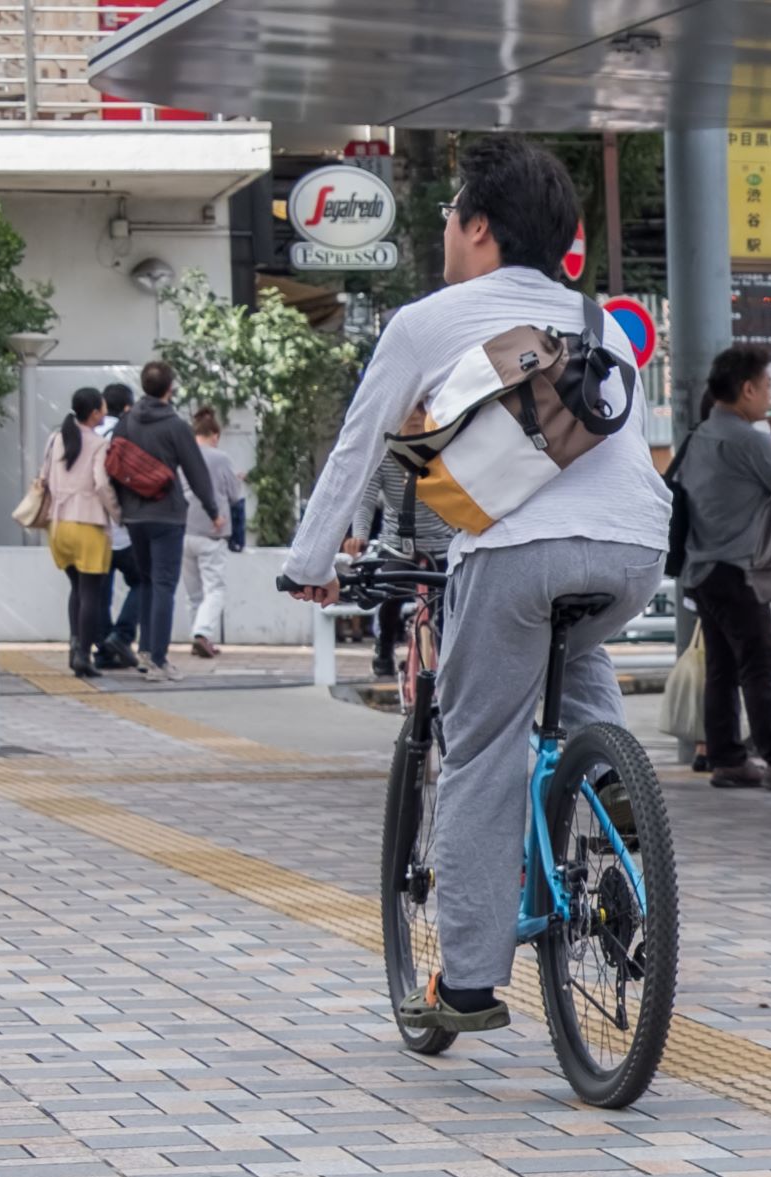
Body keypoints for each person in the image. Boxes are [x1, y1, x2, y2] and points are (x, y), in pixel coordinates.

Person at [282, 132, 671, 1036]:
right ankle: (608, 774)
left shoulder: (425, 321)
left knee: (483, 746)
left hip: (518, 552)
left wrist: (309, 565)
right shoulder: (600, 320)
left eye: (452, 216)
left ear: (482, 228)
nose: (447, 232)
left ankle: (463, 982)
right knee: (571, 649)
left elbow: (359, 447)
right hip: (633, 554)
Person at [679, 346, 771, 791]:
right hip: (738, 569)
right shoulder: (750, 440)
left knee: (724, 670)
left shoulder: (700, 435)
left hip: (704, 569)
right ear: (747, 388)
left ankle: (728, 758)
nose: (770, 393)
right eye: (768, 385)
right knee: (759, 665)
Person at [108, 361, 220, 681]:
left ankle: (146, 654)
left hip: (134, 516)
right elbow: (196, 470)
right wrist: (213, 510)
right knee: (163, 586)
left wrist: (122, 506)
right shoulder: (175, 426)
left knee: (145, 582)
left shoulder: (126, 422)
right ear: (170, 388)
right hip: (167, 516)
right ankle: (157, 660)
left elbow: (113, 464)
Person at [345, 453, 453, 678]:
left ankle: (449, 667)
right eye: (407, 415)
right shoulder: (385, 455)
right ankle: (384, 647)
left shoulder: (443, 447)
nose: (414, 417)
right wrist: (360, 535)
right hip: (397, 546)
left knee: (448, 607)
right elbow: (366, 499)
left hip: (442, 545)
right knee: (389, 590)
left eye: (420, 414)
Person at [38, 389, 114, 679]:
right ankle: (83, 653)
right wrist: (117, 514)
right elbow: (102, 485)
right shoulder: (98, 444)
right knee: (92, 592)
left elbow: (43, 477)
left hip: (59, 525)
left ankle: (74, 647)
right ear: (94, 412)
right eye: (103, 408)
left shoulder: (55, 439)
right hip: (88, 524)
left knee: (77, 589)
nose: (105, 412)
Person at [180, 406, 244, 659]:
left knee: (193, 592)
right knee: (215, 588)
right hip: (211, 530)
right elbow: (233, 495)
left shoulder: (182, 457)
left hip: (183, 530)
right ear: (215, 434)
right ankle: (202, 633)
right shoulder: (220, 458)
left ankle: (199, 636)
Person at [96, 383, 142, 670]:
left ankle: (103, 651)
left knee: (99, 591)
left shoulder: (87, 433)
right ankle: (122, 635)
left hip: (91, 526)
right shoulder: (127, 433)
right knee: (144, 581)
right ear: (127, 407)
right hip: (123, 526)